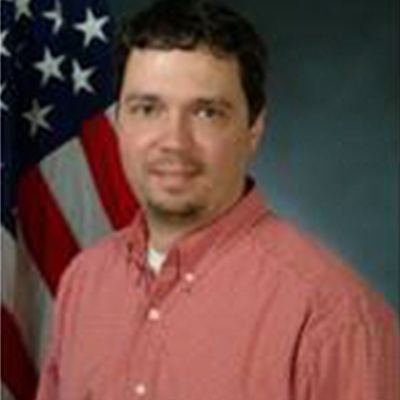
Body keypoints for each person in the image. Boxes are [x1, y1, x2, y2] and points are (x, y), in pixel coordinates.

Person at [36, 0, 399, 399]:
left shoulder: (335, 320)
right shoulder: (84, 281)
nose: (174, 142)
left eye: (207, 112)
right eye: (148, 109)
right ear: (119, 120)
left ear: (254, 129)